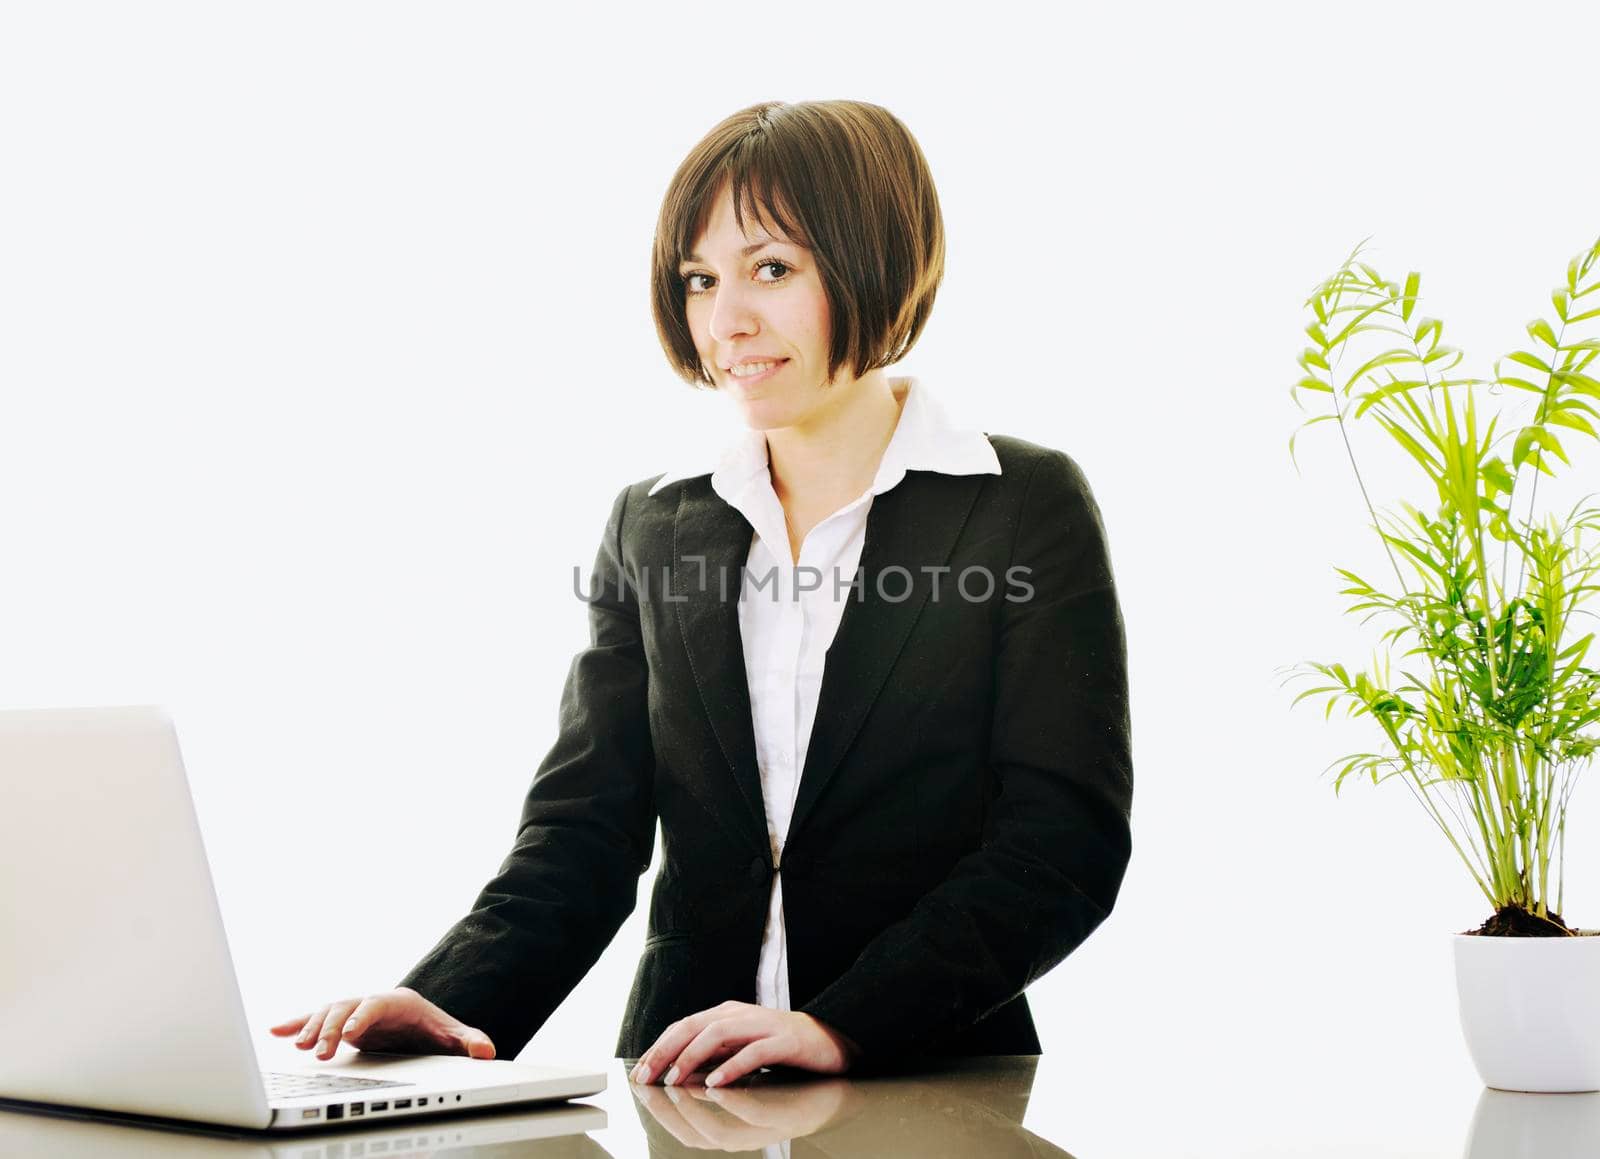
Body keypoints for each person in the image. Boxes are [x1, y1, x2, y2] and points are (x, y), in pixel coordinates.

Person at [272, 99, 1132, 1090]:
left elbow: (1061, 840)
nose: (726, 321)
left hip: (926, 1077)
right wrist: (453, 1003)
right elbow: (583, 832)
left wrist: (840, 1023)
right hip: (681, 1088)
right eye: (698, 279)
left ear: (874, 259)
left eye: (771, 268)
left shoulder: (1019, 504)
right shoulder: (654, 523)